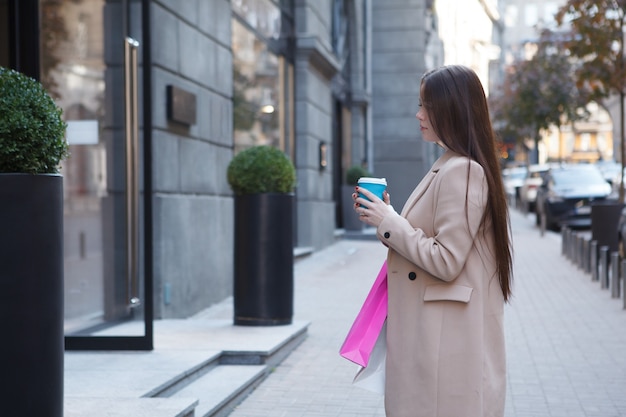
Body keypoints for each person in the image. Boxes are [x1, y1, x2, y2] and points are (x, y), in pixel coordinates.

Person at [353, 64, 513, 417]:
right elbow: (429, 239)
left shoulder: (463, 171)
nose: (418, 114)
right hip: (436, 332)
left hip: (444, 340)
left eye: (426, 106)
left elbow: (446, 260)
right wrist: (387, 217)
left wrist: (390, 222)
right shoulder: (451, 164)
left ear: (452, 109)